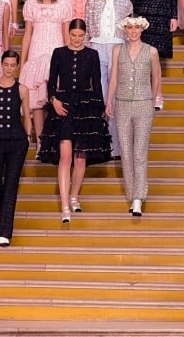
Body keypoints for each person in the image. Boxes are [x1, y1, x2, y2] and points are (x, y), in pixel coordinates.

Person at [38, 18, 111, 222]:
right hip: (63, 107)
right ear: (68, 34)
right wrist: (54, 101)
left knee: (80, 159)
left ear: (85, 36)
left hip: (85, 107)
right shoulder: (59, 53)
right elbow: (51, 83)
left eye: (80, 36)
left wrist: (99, 110)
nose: (77, 39)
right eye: (74, 35)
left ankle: (74, 196)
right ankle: (64, 206)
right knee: (65, 156)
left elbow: (96, 84)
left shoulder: (92, 54)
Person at [106, 16, 163, 218]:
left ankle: (139, 197)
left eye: (136, 28)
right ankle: (132, 195)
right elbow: (113, 78)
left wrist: (152, 99)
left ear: (142, 30)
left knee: (139, 152)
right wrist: (109, 100)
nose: (133, 31)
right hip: (122, 104)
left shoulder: (152, 51)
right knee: (126, 151)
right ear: (125, 30)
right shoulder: (117, 51)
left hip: (143, 105)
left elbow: (156, 77)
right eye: (129, 28)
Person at [0, 50, 32, 247]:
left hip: (17, 141)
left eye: (13, 65)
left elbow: (26, 115)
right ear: (1, 64)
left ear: (17, 66)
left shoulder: (23, 89)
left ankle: (4, 232)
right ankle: (6, 220)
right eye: (6, 64)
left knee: (10, 186)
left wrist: (28, 136)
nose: (9, 68)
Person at [20, 0, 71, 152]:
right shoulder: (31, 3)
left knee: (55, 98)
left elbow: (66, 34)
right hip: (36, 52)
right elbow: (27, 34)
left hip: (56, 52)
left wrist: (68, 57)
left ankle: (56, 142)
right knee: (38, 103)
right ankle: (41, 144)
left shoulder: (64, 3)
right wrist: (23, 61)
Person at [84, 0, 133, 157]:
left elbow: (130, 34)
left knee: (116, 98)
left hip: (118, 48)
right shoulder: (92, 2)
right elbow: (87, 30)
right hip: (96, 49)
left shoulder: (126, 4)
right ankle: (99, 143)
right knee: (99, 95)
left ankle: (115, 146)